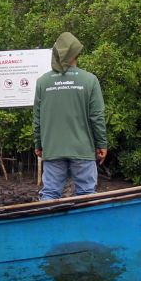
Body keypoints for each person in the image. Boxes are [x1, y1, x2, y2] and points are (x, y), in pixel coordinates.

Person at [33, 31, 108, 200]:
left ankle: (48, 226)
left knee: (50, 194)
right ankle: (87, 226)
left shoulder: (42, 82)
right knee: (87, 194)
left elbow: (37, 118)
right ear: (76, 53)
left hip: (53, 149)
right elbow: (97, 117)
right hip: (83, 149)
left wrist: (38, 143)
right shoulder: (90, 80)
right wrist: (101, 143)